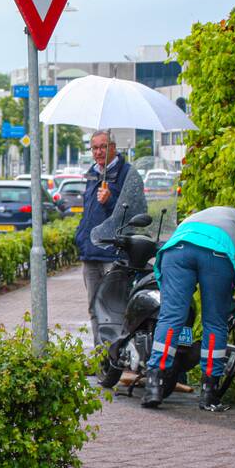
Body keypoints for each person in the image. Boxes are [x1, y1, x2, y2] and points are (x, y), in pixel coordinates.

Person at [142, 206, 235, 411]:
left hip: (177, 248)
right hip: (216, 255)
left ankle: (154, 385)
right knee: (215, 323)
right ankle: (209, 393)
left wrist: (230, 305)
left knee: (171, 317)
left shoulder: (201, 216)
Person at [74, 130, 145, 335]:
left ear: (113, 147)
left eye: (103, 147)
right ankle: (101, 353)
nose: (98, 152)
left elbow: (138, 211)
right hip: (91, 253)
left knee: (115, 308)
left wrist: (110, 200)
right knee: (94, 308)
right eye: (94, 148)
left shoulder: (128, 174)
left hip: (113, 254)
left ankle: (117, 350)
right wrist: (80, 236)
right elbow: (89, 212)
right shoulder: (93, 174)